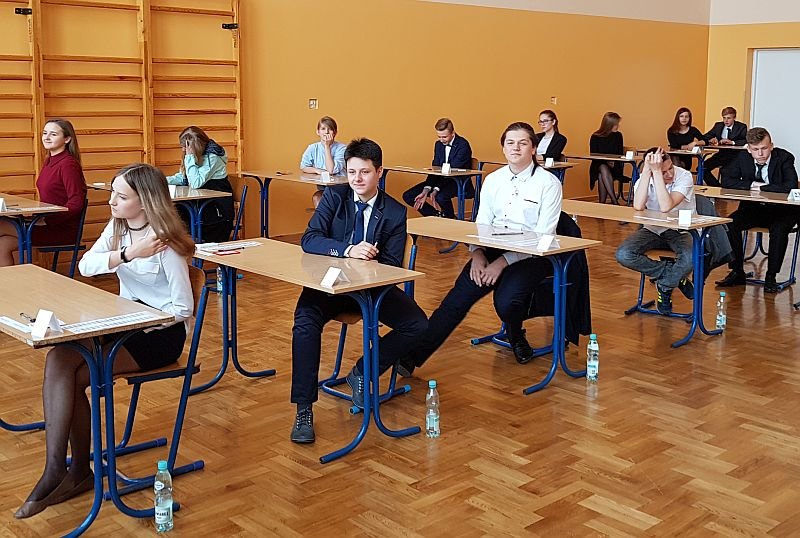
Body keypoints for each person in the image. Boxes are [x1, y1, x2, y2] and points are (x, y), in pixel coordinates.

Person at [14, 163, 195, 519]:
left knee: (74, 375)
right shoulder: (118, 228)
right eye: (113, 193)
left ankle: (73, 471)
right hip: (126, 322)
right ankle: (60, 467)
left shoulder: (165, 242)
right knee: (59, 357)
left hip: (160, 335)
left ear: (145, 201)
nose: (111, 201)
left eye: (121, 196)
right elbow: (86, 266)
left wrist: (141, 320)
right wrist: (128, 254)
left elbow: (183, 309)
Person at [290, 138, 428, 444]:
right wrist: (348, 250)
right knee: (304, 324)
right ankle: (304, 408)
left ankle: (363, 373)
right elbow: (309, 239)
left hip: (371, 290)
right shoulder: (334, 197)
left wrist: (371, 264)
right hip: (330, 284)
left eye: (364, 172)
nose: (357, 179)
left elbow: (392, 265)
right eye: (352, 172)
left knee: (417, 324)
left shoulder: (394, 211)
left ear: (379, 172)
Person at [397, 122, 562, 376]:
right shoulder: (494, 180)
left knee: (506, 302)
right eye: (510, 143)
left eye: (523, 143)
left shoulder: (548, 183)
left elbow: (543, 237)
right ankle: (411, 358)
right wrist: (477, 254)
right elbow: (481, 223)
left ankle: (515, 334)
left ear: (533, 148)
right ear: (503, 148)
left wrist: (502, 263)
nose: (516, 148)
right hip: (490, 251)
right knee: (455, 302)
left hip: (531, 256)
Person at [716, 127, 798, 293]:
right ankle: (737, 271)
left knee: (779, 229)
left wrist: (762, 187)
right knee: (730, 224)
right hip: (753, 209)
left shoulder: (784, 157)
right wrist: (751, 184)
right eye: (755, 149)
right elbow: (726, 180)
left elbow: (790, 185)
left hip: (782, 211)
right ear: (748, 148)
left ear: (771, 146)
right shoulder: (742, 157)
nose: (760, 154)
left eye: (764, 148)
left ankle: (771, 276)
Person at [615, 148, 696, 314]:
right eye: (663, 171)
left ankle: (665, 285)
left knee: (690, 257)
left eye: (670, 168)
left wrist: (658, 172)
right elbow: (638, 206)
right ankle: (673, 274)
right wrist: (647, 172)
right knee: (623, 254)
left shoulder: (684, 176)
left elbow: (666, 206)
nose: (670, 174)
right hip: (653, 229)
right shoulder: (646, 178)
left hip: (682, 230)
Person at [0, 119, 87, 266]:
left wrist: (47, 220)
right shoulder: (49, 161)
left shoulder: (68, 164)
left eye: (53, 134)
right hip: (43, 223)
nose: (47, 137)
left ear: (67, 139)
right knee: (2, 245)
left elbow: (76, 202)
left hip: (59, 229)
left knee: (1, 224)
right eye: (45, 133)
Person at [166, 126, 235, 243]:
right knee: (175, 212)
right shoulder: (195, 155)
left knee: (184, 216)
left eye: (185, 146)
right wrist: (162, 180)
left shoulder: (213, 157)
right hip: (201, 202)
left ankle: (191, 245)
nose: (183, 150)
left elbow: (195, 182)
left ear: (195, 146)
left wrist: (189, 157)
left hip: (217, 208)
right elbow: (183, 177)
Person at [402, 118, 473, 218]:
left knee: (441, 196)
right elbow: (436, 168)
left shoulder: (463, 145)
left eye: (444, 137)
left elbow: (452, 171)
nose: (441, 140)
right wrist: (426, 189)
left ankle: (451, 220)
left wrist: (436, 189)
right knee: (408, 195)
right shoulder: (438, 144)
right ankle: (436, 215)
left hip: (457, 181)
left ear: (453, 133)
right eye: (439, 137)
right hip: (440, 180)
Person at [300, 116, 346, 208]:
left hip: (340, 188)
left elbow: (331, 170)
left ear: (335, 132)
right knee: (317, 197)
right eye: (323, 129)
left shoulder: (342, 148)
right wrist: (317, 170)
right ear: (318, 132)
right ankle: (321, 218)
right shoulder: (313, 148)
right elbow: (303, 166)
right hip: (324, 188)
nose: (326, 132)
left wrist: (327, 147)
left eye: (330, 129)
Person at [702, 107, 749, 186]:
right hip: (721, 155)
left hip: (735, 156)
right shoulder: (718, 126)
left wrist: (732, 142)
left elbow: (745, 140)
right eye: (724, 118)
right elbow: (705, 136)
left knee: (725, 172)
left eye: (729, 118)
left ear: (734, 118)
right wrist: (710, 140)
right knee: (702, 168)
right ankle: (716, 186)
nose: (726, 121)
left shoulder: (741, 127)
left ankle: (724, 188)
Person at [589, 112, 626, 204]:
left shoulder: (618, 136)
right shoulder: (595, 136)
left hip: (614, 166)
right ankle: (614, 201)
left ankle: (602, 203)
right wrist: (606, 161)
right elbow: (594, 155)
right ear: (609, 124)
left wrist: (612, 161)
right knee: (602, 168)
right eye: (616, 124)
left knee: (601, 175)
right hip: (598, 165)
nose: (618, 126)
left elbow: (619, 153)